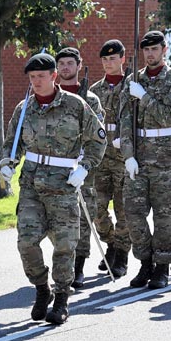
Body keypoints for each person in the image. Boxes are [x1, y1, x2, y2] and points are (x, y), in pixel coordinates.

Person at [0, 52, 106, 325]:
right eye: (32, 77)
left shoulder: (75, 105)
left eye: (41, 77)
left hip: (63, 183)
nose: (36, 82)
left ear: (54, 76)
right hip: (32, 184)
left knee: (65, 244)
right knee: (26, 241)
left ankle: (61, 298)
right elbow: (12, 143)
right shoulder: (24, 108)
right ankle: (41, 288)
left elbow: (98, 139)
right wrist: (7, 163)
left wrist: (86, 167)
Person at [119, 31, 171, 289]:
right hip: (139, 154)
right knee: (133, 213)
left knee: (164, 214)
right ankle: (144, 261)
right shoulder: (133, 80)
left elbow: (167, 117)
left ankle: (162, 266)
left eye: (154, 49)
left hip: (166, 154)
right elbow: (125, 122)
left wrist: (144, 97)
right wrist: (128, 155)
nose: (150, 54)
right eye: (146, 50)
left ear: (164, 49)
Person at [56, 46, 105, 288]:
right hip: (55, 166)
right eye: (61, 63)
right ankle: (61, 263)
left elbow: (97, 134)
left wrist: (84, 164)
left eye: (69, 63)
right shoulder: (51, 96)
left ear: (78, 65)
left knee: (83, 216)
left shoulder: (91, 99)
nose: (65, 67)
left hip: (82, 166)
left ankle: (79, 266)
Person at [88, 40, 131, 279]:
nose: (108, 63)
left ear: (122, 59)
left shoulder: (132, 87)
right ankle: (112, 242)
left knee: (124, 209)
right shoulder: (94, 91)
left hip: (125, 158)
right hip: (101, 158)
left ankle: (122, 255)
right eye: (105, 60)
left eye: (113, 59)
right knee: (97, 208)